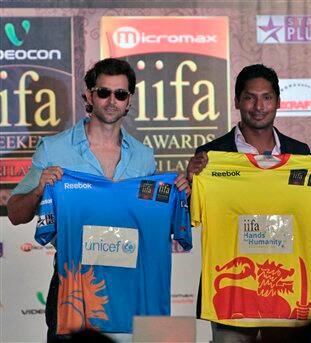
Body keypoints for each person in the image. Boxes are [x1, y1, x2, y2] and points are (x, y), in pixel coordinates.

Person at [6, 58, 189, 340]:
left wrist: (176, 192)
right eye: (103, 92)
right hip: (74, 282)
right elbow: (16, 213)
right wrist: (40, 188)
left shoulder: (144, 157)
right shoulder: (53, 149)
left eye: (120, 94)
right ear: (89, 96)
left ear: (129, 101)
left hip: (131, 283)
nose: (111, 101)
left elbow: (152, 221)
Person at [187, 64, 311, 342]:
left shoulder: (302, 155)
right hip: (231, 302)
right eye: (250, 97)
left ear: (278, 102)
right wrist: (191, 181)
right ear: (237, 101)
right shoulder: (210, 157)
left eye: (267, 97)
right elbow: (193, 215)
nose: (258, 106)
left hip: (287, 295)